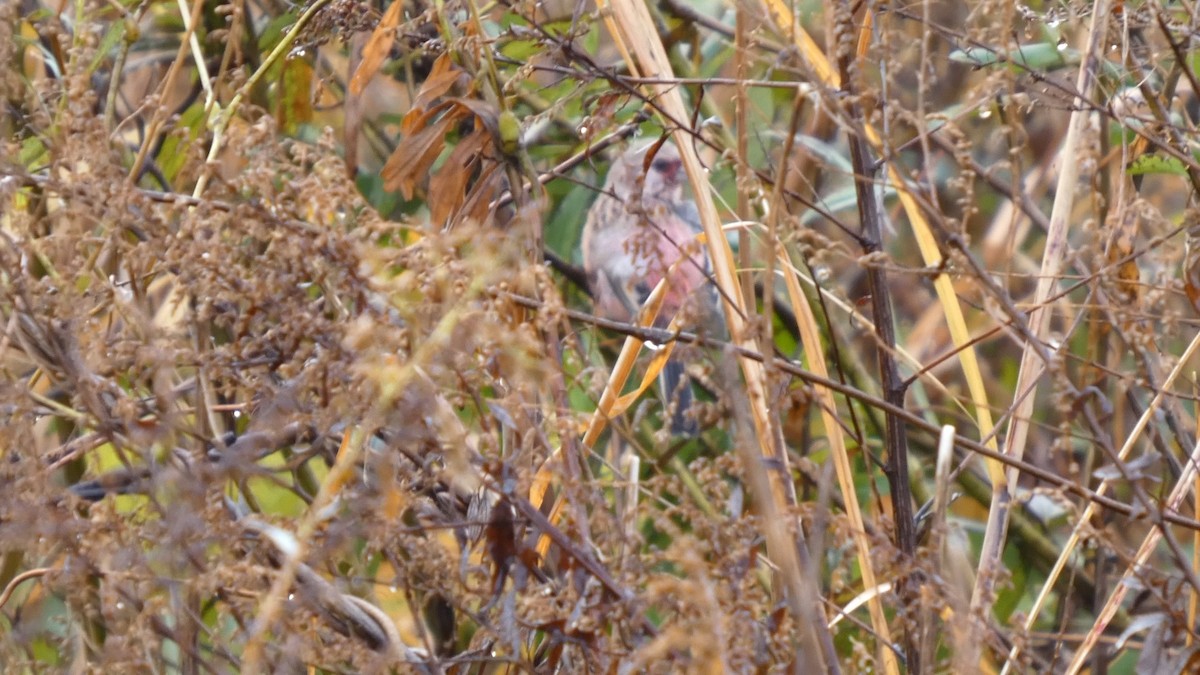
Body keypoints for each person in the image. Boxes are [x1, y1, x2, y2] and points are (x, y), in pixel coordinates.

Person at [580, 140, 714, 435]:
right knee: (669, 356)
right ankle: (679, 404)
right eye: (664, 168)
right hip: (651, 308)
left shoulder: (675, 213)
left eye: (680, 170)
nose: (676, 177)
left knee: (669, 356)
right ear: (632, 177)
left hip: (657, 308)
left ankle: (678, 402)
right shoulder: (613, 218)